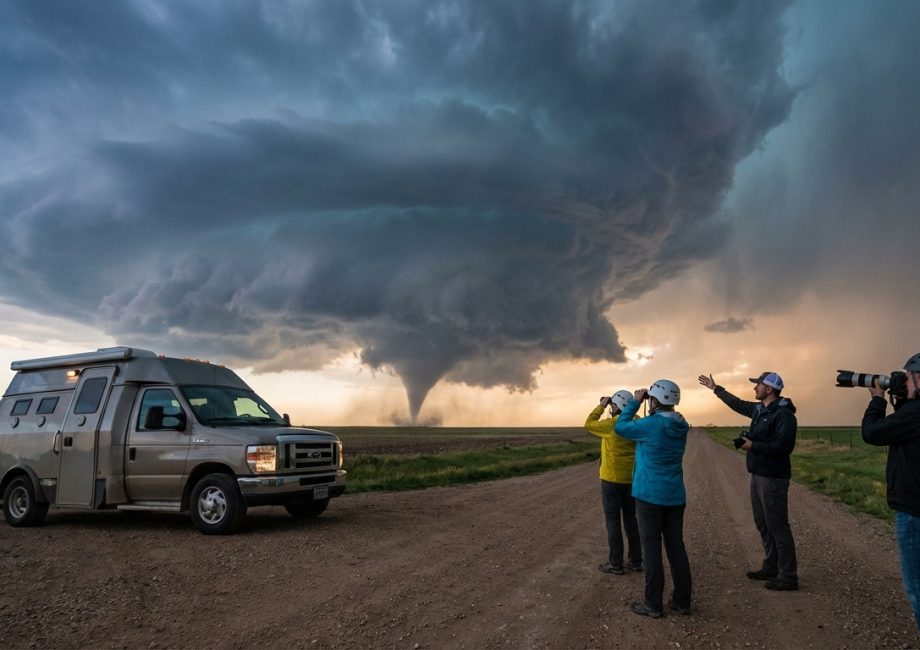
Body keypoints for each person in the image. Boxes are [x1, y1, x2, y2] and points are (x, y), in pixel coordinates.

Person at [698, 370, 799, 591]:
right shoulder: (759, 409)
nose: (755, 388)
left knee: (777, 526)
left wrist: (753, 446)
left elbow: (784, 447)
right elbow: (736, 404)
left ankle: (788, 575)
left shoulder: (784, 415)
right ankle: (771, 566)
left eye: (758, 385)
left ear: (769, 389)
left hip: (773, 477)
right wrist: (716, 389)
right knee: (763, 524)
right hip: (758, 473)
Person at [614, 380, 692, 618]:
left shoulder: (651, 425)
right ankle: (682, 601)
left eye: (651, 398)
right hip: (674, 495)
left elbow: (622, 427)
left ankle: (652, 603)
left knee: (651, 549)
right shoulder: (681, 425)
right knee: (676, 547)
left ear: (656, 400)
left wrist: (635, 403)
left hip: (649, 496)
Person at [861, 353, 920, 630]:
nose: (901, 381)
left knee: (917, 589)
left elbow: (872, 432)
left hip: (913, 511)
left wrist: (877, 399)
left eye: (906, 378)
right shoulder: (913, 412)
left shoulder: (916, 413)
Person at [584, 390, 642, 575]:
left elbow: (589, 424)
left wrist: (601, 405)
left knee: (613, 521)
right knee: (631, 521)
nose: (612, 407)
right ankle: (635, 560)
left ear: (618, 406)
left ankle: (615, 563)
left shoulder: (613, 424)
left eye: (613, 405)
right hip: (631, 479)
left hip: (611, 479)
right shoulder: (637, 422)